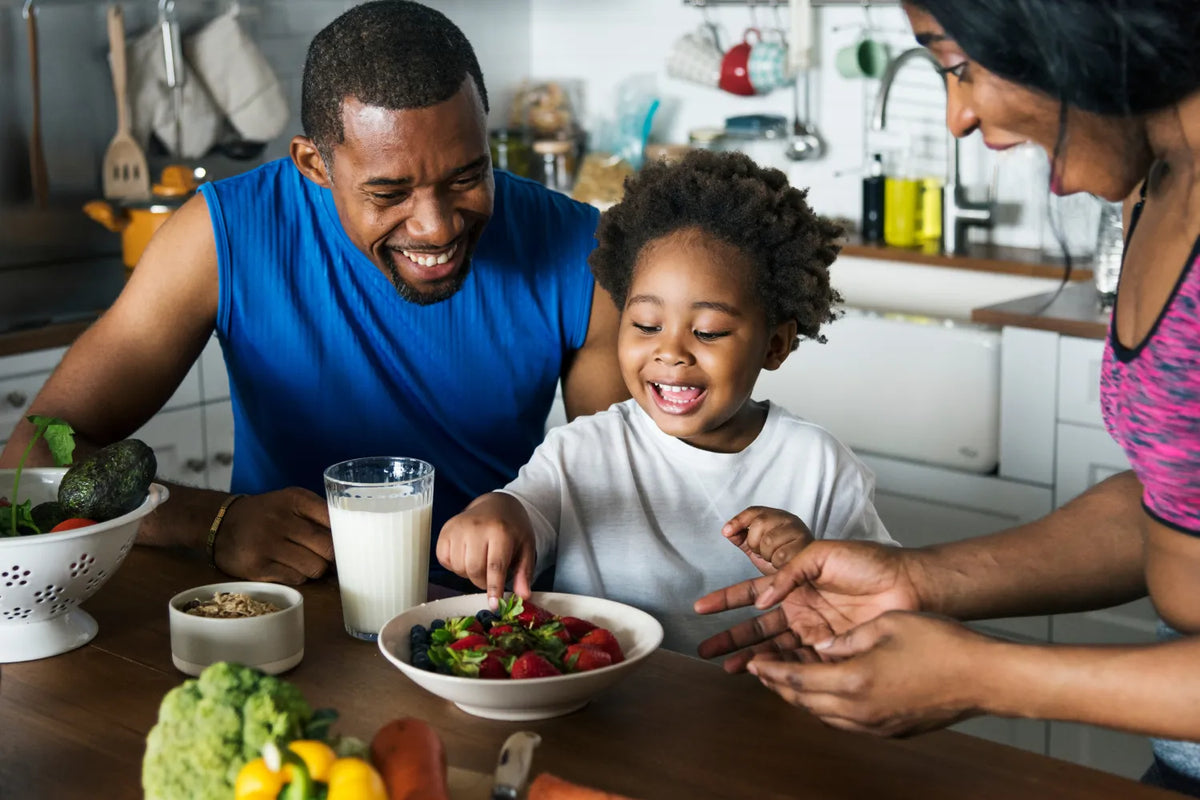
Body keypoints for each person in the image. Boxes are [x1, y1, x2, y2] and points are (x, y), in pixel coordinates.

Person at [693, 1, 1200, 793]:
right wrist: (918, 580)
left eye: (959, 64)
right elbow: (1172, 503)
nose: (958, 116)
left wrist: (989, 677)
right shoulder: (1157, 187)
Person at [0, 0, 627, 586]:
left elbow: (622, 488)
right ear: (313, 164)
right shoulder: (223, 237)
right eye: (389, 193)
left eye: (468, 176)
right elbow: (31, 454)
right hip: (297, 611)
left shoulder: (582, 250)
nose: (436, 226)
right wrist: (211, 522)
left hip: (490, 622)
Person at [436, 150, 897, 653]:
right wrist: (494, 513)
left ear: (775, 345)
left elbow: (886, 609)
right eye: (646, 326)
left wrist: (812, 560)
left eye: (709, 331)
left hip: (762, 713)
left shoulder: (821, 469)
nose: (671, 351)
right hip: (603, 710)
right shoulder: (583, 449)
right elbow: (525, 509)